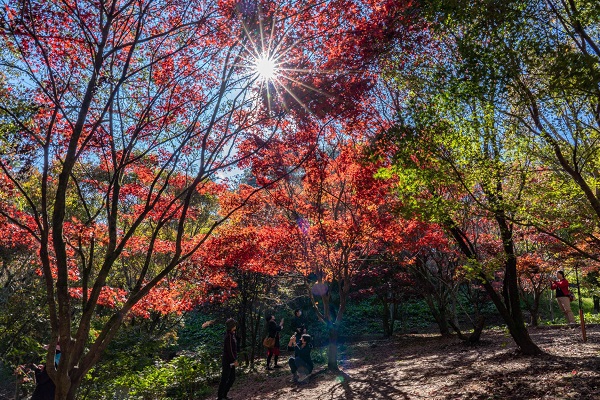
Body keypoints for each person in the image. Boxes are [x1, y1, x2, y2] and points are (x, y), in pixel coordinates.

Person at [217, 318, 238, 400]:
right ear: (232, 326)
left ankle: (224, 395)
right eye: (234, 324)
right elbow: (230, 350)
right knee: (225, 378)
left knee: (232, 378)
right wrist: (234, 360)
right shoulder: (229, 336)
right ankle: (220, 397)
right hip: (227, 361)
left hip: (231, 361)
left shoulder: (232, 334)